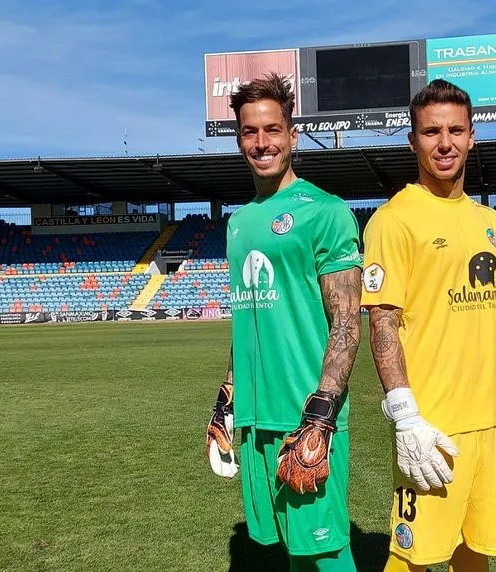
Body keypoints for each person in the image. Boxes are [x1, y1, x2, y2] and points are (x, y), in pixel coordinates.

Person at [360, 79, 496, 572]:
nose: (444, 143)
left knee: (476, 552)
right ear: (412, 141)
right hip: (435, 429)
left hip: (494, 419)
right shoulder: (393, 220)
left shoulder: (492, 221)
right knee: (412, 559)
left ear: (472, 137)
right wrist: (405, 417)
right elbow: (382, 323)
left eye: (455, 130)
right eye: (431, 132)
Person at [205, 72, 363, 572]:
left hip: (304, 417)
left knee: (328, 551)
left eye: (272, 129)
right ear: (238, 139)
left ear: (293, 136)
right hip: (255, 416)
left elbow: (346, 322)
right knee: (298, 555)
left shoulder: (326, 212)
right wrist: (228, 396)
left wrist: (321, 414)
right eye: (250, 131)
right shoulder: (238, 221)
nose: (261, 142)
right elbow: (247, 312)